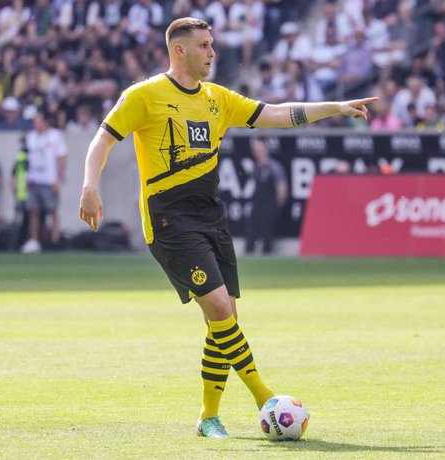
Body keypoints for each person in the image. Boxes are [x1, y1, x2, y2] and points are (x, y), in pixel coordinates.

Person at [79, 17, 376, 439]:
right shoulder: (144, 96)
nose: (212, 52)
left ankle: (208, 417)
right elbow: (102, 139)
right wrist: (90, 185)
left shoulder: (218, 99)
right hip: (168, 220)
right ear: (179, 50)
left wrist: (334, 108)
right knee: (219, 309)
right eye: (203, 45)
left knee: (224, 320)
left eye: (212, 44)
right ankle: (264, 396)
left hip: (210, 218)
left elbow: (274, 113)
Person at [20, 109, 67, 253]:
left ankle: (55, 240)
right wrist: (26, 178)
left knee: (53, 210)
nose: (35, 123)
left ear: (46, 121)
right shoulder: (31, 137)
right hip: (34, 180)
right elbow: (27, 159)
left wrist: (59, 179)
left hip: (49, 180)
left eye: (38, 120)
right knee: (33, 211)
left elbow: (62, 158)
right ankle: (34, 241)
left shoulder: (55, 136)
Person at [244, 137, 288, 255]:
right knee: (251, 233)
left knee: (267, 234)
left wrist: (278, 206)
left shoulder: (273, 166)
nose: (258, 152)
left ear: (266, 149)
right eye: (256, 149)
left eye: (260, 149)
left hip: (269, 204)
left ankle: (267, 255)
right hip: (256, 204)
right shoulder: (255, 166)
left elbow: (281, 186)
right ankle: (249, 254)